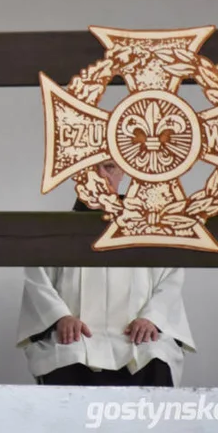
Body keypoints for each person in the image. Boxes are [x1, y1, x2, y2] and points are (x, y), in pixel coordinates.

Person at [16, 159, 196, 386]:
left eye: (109, 167)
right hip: (77, 337)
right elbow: (37, 281)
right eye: (91, 167)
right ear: (77, 174)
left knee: (155, 356)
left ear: (123, 172)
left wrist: (152, 318)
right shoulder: (55, 231)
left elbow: (170, 278)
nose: (100, 175)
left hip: (137, 337)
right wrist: (60, 317)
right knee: (67, 356)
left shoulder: (150, 230)